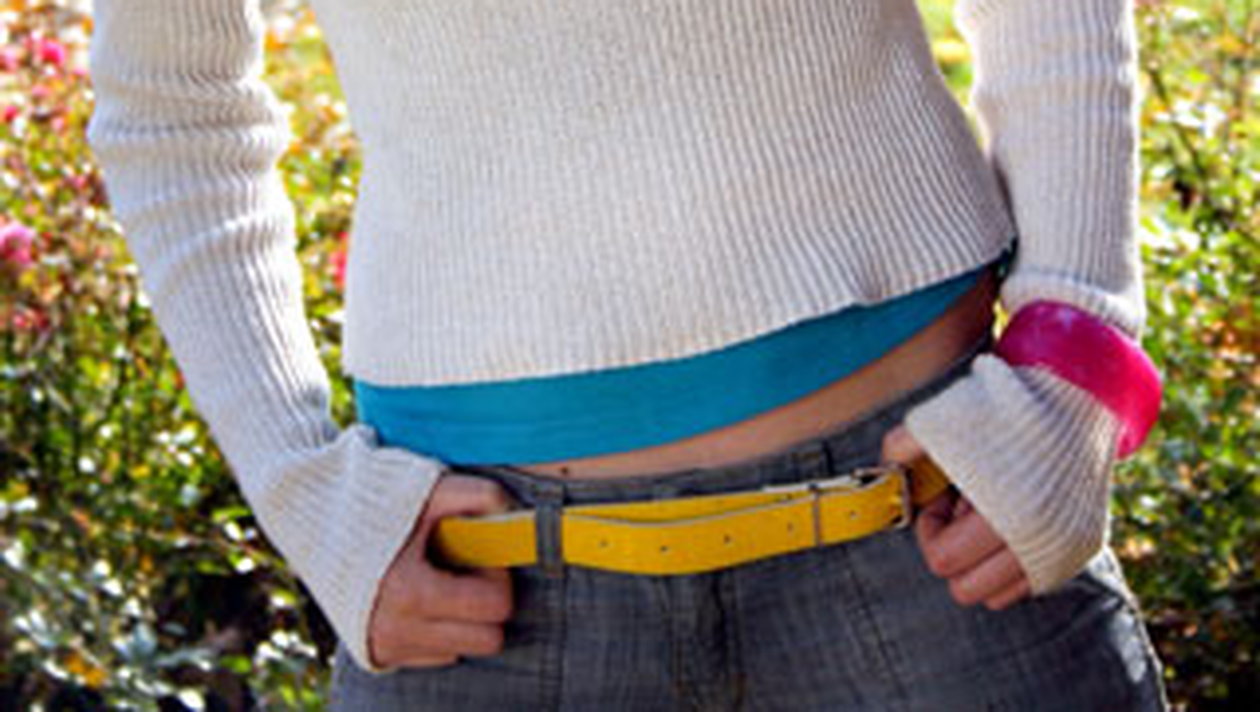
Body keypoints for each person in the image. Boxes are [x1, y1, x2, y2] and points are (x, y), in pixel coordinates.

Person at [87, 0, 1170, 709]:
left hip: (937, 540)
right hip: (472, 606)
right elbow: (172, 109)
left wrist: (1073, 359)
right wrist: (299, 490)